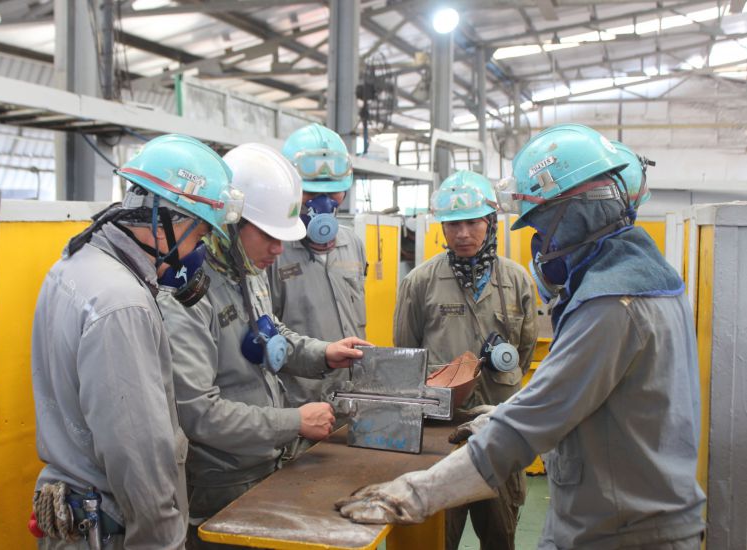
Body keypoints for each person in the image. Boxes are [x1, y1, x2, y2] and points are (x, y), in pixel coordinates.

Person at [336, 123, 706, 549]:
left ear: (576, 213)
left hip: (621, 531)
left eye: (541, 226)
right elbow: (579, 398)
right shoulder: (649, 279)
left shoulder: (611, 304)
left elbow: (539, 411)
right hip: (622, 514)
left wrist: (414, 494)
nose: (541, 244)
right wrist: (499, 415)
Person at [30, 134, 243, 549]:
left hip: (76, 514)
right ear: (167, 219)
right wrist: (163, 542)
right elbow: (137, 455)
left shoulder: (76, 263)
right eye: (199, 235)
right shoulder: (123, 303)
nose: (198, 249)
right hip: (112, 530)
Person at [157, 142, 370, 549]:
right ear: (230, 224)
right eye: (270, 235)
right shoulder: (187, 299)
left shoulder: (247, 270)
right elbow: (199, 413)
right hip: (220, 484)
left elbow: (273, 335)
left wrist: (323, 353)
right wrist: (293, 422)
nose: (278, 248)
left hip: (267, 464)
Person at [393, 170, 538, 550]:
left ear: (490, 223)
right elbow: (405, 356)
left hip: (499, 430)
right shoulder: (420, 282)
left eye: (472, 222)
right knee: (440, 536)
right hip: (442, 434)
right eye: (452, 224)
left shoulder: (518, 281)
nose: (462, 234)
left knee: (500, 535)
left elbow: (523, 352)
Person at [268, 123, 367, 410]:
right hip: (301, 407)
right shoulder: (272, 251)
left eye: (332, 193)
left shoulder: (353, 243)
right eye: (310, 194)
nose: (323, 204)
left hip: (353, 399)